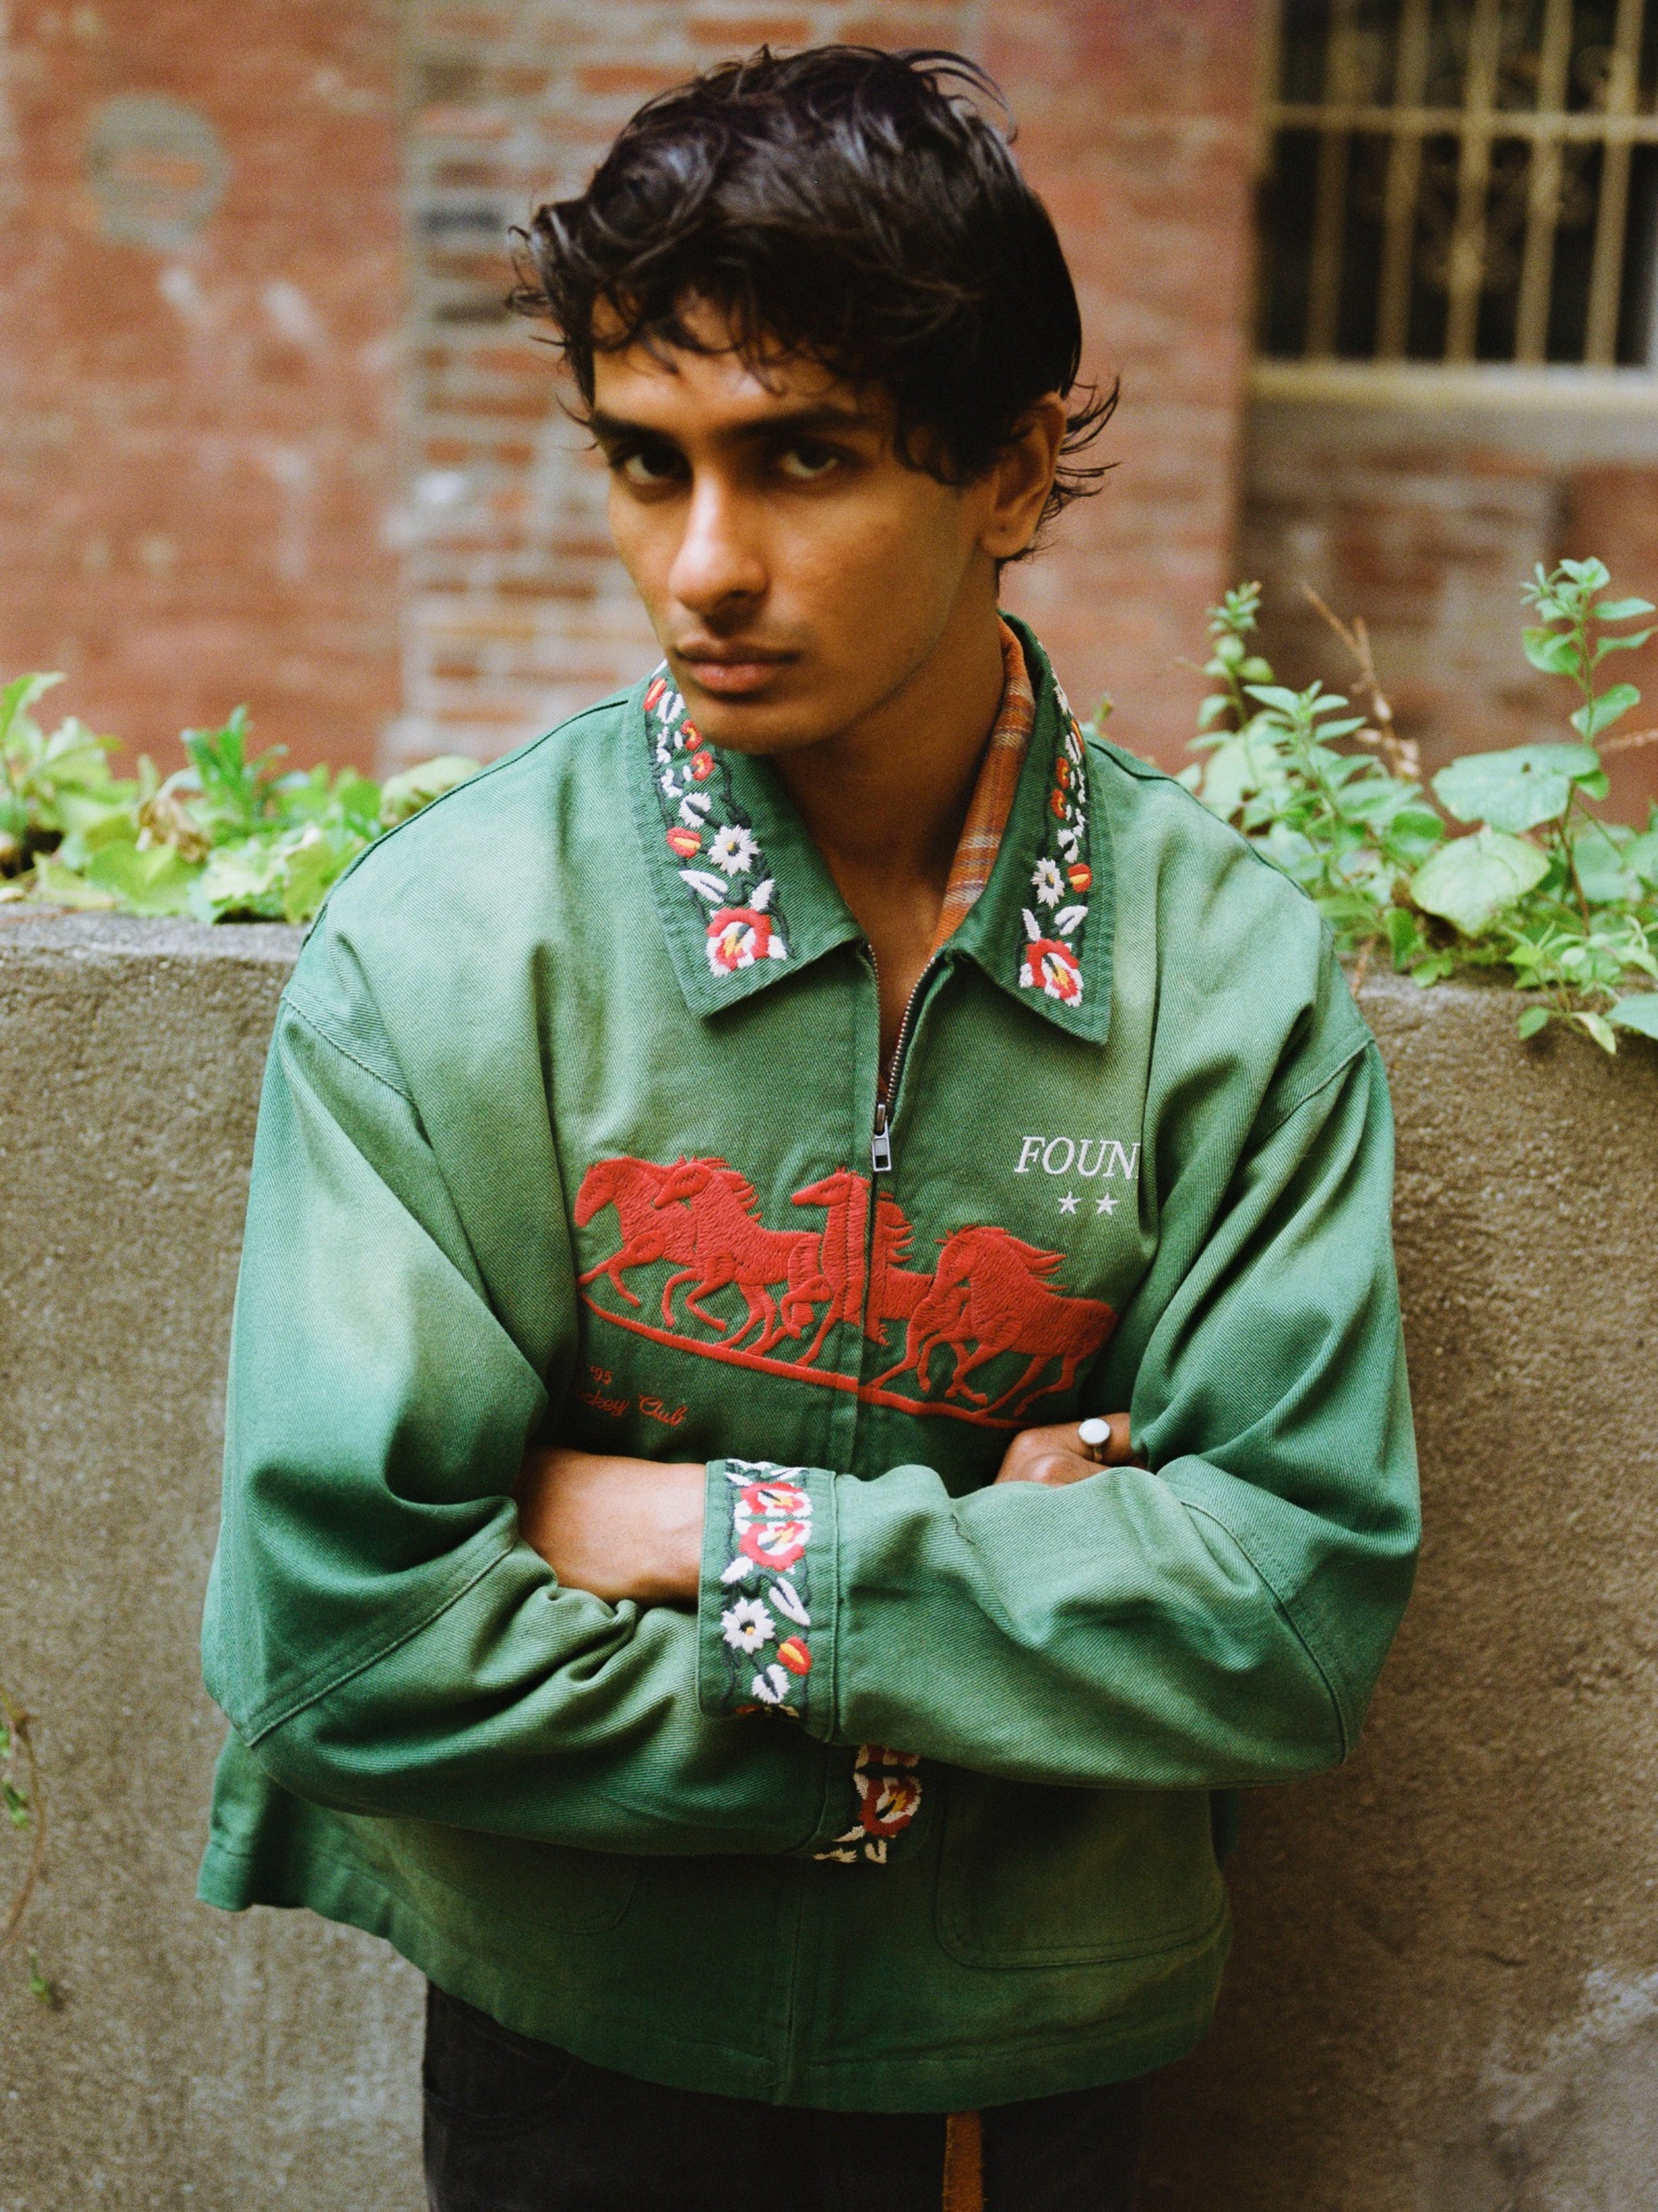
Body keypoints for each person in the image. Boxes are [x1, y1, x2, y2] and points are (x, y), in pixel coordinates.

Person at [198, 45, 1420, 2212]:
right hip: (579, 2050)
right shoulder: (460, 954)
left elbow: (1291, 1605)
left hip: (1030, 2071)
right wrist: (969, 1682)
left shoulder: (1221, 980)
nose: (704, 564)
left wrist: (712, 1545)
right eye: (643, 462)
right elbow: (343, 1640)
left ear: (1015, 468)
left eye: (803, 458)